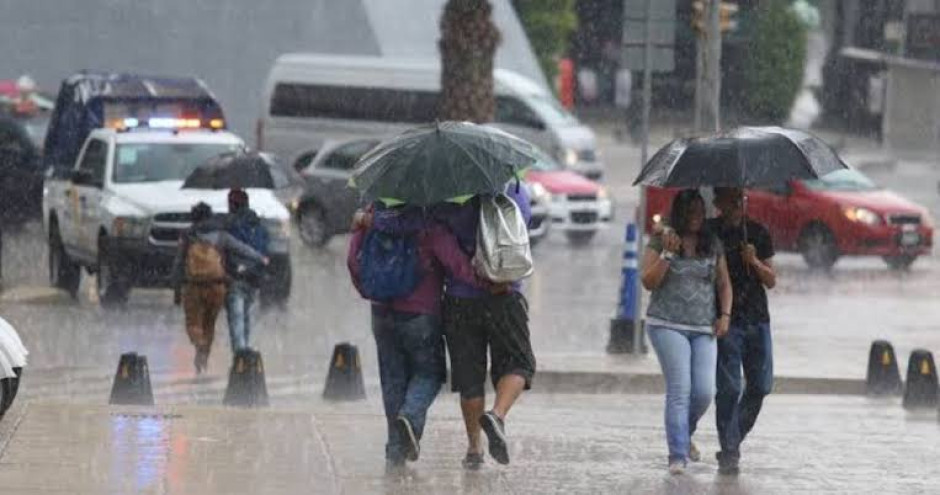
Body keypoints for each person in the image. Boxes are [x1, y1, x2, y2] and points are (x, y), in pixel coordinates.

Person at [347, 204, 484, 471]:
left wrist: (369, 290)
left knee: (392, 381)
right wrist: (487, 282)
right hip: (421, 314)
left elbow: (354, 259)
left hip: (382, 312)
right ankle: (410, 416)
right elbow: (457, 265)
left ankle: (395, 452)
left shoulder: (370, 216)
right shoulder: (427, 221)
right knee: (430, 374)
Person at [433, 183, 536, 470]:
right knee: (519, 362)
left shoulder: (446, 196)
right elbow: (522, 233)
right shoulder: (515, 190)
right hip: (505, 294)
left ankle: (474, 448)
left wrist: (472, 276)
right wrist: (497, 276)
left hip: (460, 299)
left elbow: (440, 246)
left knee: (469, 376)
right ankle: (497, 415)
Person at [640, 189, 733, 475]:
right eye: (689, 211)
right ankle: (677, 455)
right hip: (667, 324)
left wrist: (725, 315)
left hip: (703, 327)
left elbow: (724, 285)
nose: (695, 216)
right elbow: (648, 281)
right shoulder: (661, 239)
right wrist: (668, 253)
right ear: (679, 213)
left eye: (699, 211)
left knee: (704, 392)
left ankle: (685, 431)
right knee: (680, 389)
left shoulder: (711, 243)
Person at [708, 187, 777, 475]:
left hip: (758, 318)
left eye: (741, 199)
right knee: (729, 387)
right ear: (719, 203)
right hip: (728, 320)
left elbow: (771, 280)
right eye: (731, 199)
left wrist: (755, 262)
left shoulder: (758, 233)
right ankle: (731, 450)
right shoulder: (710, 233)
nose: (737, 204)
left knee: (760, 385)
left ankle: (730, 443)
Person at [173, 202, 268, 374]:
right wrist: (260, 257)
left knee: (194, 323)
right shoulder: (221, 236)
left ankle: (199, 343)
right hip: (217, 286)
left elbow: (179, 263)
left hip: (193, 286)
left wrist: (176, 289)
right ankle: (203, 358)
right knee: (209, 324)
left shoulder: (188, 235)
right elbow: (242, 249)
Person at [224, 188, 270, 353]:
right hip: (254, 278)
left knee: (236, 319)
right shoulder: (259, 227)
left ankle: (240, 355)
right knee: (246, 317)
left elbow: (228, 250)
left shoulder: (230, 227)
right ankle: (246, 354)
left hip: (236, 277)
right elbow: (265, 251)